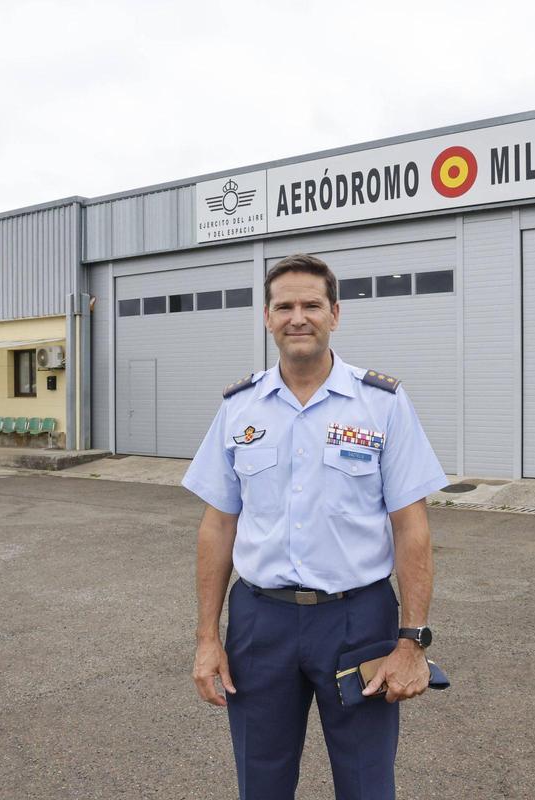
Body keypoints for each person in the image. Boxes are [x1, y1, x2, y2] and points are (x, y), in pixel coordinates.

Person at [182, 253, 449, 800]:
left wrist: (412, 641)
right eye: (285, 306)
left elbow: (411, 528)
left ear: (335, 314)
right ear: (266, 317)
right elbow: (217, 527)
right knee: (262, 782)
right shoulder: (239, 408)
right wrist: (208, 637)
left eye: (311, 304)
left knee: (367, 783)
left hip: (358, 622)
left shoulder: (382, 405)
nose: (297, 316)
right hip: (260, 623)